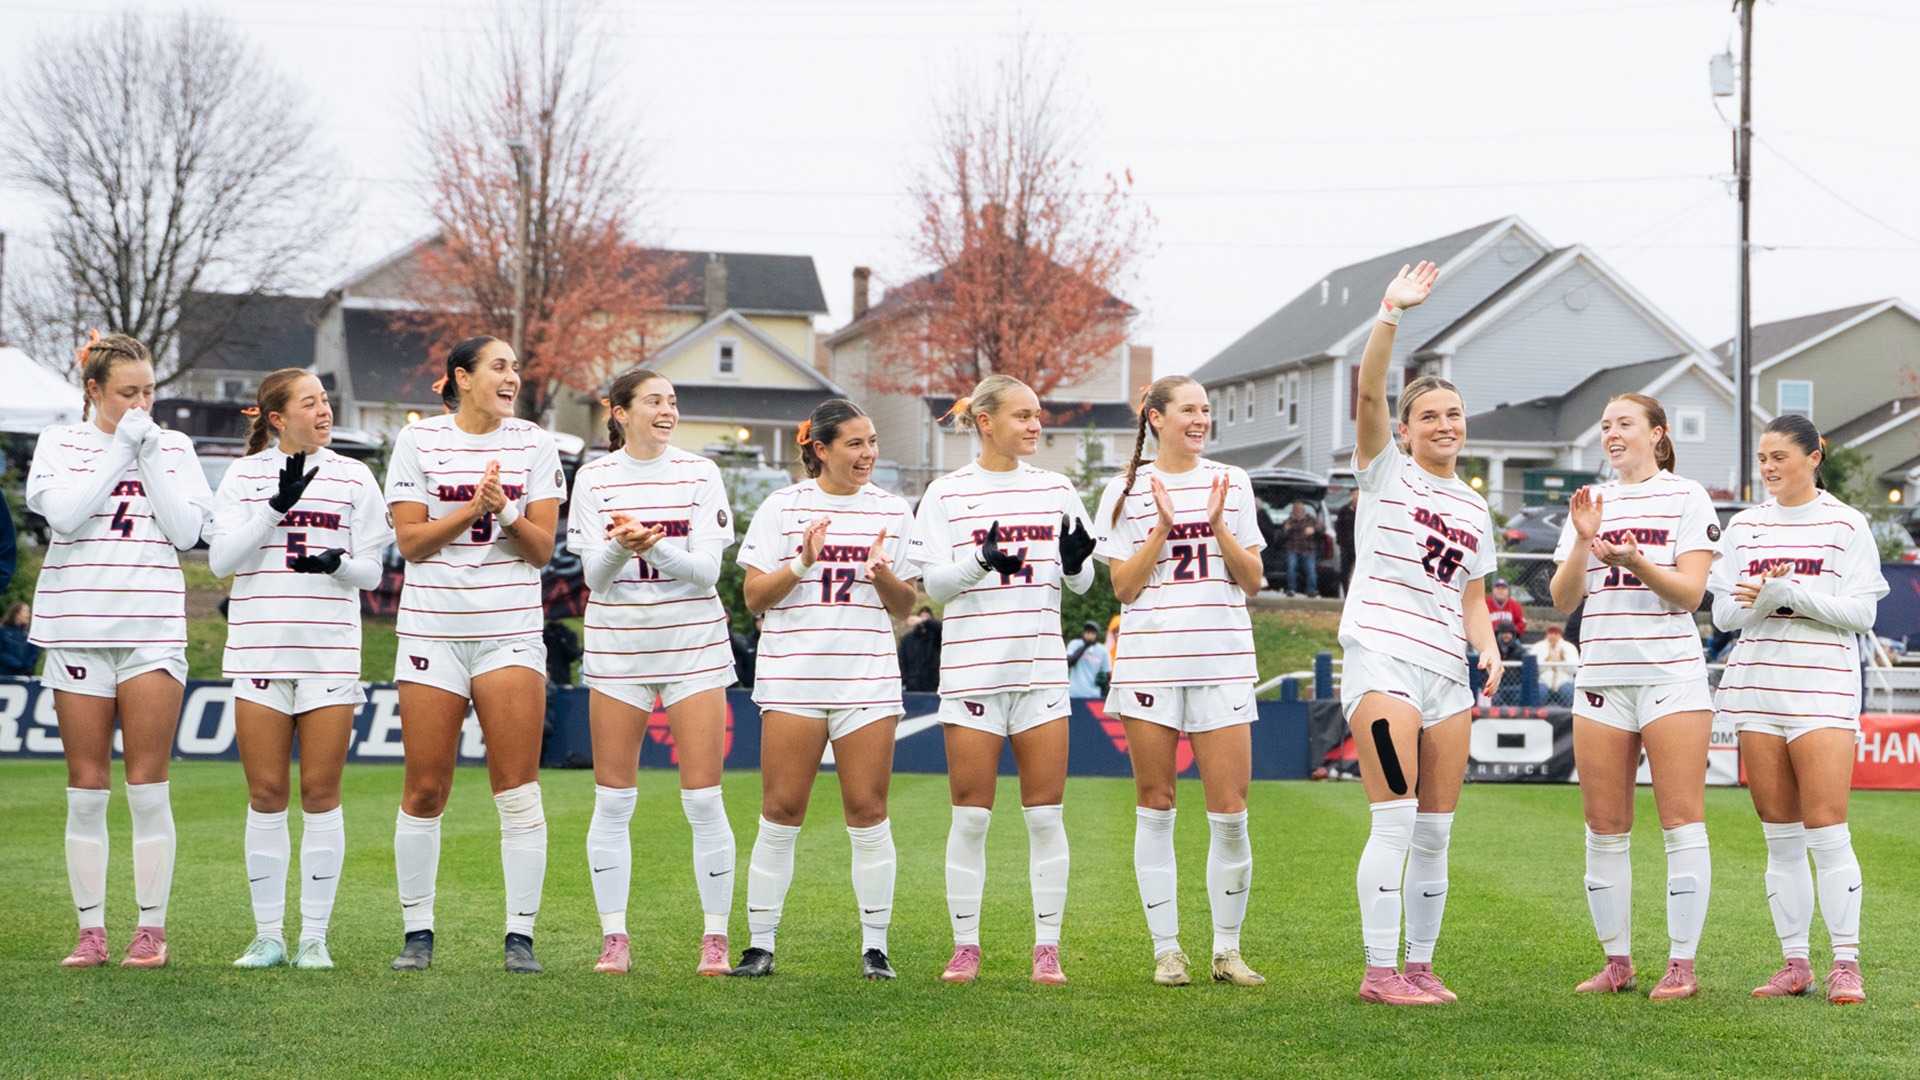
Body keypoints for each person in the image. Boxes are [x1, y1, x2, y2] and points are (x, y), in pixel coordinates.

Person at [1335, 263, 1500, 1006]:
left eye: (1454, 414)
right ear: (1405, 430)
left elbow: (1473, 596)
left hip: (1446, 677)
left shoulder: (1474, 508)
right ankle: (1378, 972)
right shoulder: (1386, 473)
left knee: (1435, 832)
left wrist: (1488, 643)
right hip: (1382, 661)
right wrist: (1391, 314)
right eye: (1430, 415)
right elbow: (1367, 391)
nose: (1445, 425)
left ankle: (1421, 965)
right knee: (1395, 818)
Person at [29, 332, 211, 969]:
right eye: (128, 393)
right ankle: (91, 932)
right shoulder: (60, 443)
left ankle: (150, 930)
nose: (141, 403)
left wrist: (151, 455)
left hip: (152, 630)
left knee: (147, 787)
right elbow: (66, 519)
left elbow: (188, 532)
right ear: (94, 392)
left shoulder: (176, 446)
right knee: (86, 788)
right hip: (77, 628)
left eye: (149, 391)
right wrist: (118, 455)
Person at [383, 335, 564, 974]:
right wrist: (470, 509)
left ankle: (520, 937)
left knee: (516, 789)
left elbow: (541, 549)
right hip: (432, 632)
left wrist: (507, 510)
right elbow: (410, 543)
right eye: (499, 366)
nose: (513, 376)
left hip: (509, 631)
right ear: (462, 377)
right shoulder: (419, 441)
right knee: (426, 788)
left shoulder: (535, 444)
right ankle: (417, 932)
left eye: (516, 367)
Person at [909, 375, 1098, 986]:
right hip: (971, 674)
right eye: (1023, 416)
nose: (1035, 425)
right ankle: (967, 947)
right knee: (971, 818)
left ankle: (1048, 949)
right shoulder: (947, 493)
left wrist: (1073, 563)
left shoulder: (1057, 488)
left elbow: (1084, 583)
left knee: (1045, 818)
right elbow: (931, 588)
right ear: (985, 421)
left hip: (1041, 672)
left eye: (1038, 415)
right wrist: (981, 561)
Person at [207, 368, 392, 971]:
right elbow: (220, 562)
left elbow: (373, 571)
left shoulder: (354, 475)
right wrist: (273, 510)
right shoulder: (244, 475)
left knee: (320, 793)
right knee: (265, 795)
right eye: (310, 402)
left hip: (329, 655)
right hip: (260, 651)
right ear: (277, 417)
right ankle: (268, 936)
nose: (325, 410)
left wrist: (340, 565)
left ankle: (314, 935)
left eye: (326, 400)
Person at [731, 398, 919, 980]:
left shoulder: (893, 509)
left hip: (867, 679)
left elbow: (907, 606)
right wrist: (801, 563)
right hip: (793, 679)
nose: (868, 454)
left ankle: (876, 948)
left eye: (872, 442)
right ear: (820, 449)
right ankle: (761, 945)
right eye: (855, 444)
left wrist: (886, 575)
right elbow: (754, 598)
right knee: (781, 811)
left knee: (868, 813)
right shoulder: (782, 506)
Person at [1093, 374, 1267, 989]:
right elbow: (1122, 587)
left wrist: (1217, 525)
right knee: (1156, 804)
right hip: (1150, 664)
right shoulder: (1124, 490)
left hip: (1222, 661)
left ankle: (1227, 951)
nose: (1200, 419)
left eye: (1206, 410)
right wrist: (1164, 527)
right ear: (1155, 417)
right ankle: (1168, 951)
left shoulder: (1234, 483)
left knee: (1230, 812)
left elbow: (1254, 580)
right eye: (1188, 409)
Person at [568, 367, 739, 977]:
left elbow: (706, 572)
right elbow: (593, 576)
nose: (667, 411)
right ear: (619, 412)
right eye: (654, 402)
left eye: (672, 400)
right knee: (613, 802)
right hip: (618, 653)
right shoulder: (593, 477)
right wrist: (622, 545)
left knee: (703, 800)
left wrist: (653, 547)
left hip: (693, 649)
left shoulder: (700, 472)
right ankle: (614, 938)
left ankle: (714, 939)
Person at [1710, 415, 1886, 1004]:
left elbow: (1862, 613)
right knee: (1779, 837)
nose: (1768, 468)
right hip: (1757, 689)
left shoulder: (1845, 523)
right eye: (1762, 458)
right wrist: (1764, 600)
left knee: (1827, 830)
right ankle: (1795, 963)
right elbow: (1724, 616)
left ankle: (1846, 963)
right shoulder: (1747, 527)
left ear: (1816, 456)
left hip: (1823, 692)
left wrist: (1792, 595)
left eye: (1780, 456)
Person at [1550, 392, 1719, 1000]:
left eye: (1625, 424)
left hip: (1671, 677)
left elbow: (1690, 595)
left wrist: (1633, 560)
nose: (1612, 434)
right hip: (1602, 677)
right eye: (1605, 426)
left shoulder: (1687, 495)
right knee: (1604, 828)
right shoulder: (1590, 502)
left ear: (1658, 434)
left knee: (1680, 823)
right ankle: (1617, 963)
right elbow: (1565, 600)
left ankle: (1682, 965)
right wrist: (1581, 540)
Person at [1275, 501, 1320, 597]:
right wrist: (1285, 530)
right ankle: (1291, 589)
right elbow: (1279, 538)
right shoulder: (1288, 521)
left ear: (1303, 509)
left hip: (1308, 549)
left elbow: (1321, 529)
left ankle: (1311, 590)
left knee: (1310, 569)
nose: (1298, 510)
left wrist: (1314, 530)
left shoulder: (1311, 520)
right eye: (1296, 508)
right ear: (1293, 509)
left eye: (1300, 508)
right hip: (1292, 549)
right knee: (1291, 567)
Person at [1530, 625, 1580, 708]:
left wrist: (1563, 659)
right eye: (1551, 633)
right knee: (1540, 692)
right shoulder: (1538, 647)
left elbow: (1575, 669)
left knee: (1568, 692)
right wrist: (1547, 659)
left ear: (1560, 635)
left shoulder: (1569, 647)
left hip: (1564, 681)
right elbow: (1534, 668)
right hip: (1543, 681)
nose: (1553, 636)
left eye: (1555, 634)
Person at [897, 606, 942, 693]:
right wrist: (906, 681)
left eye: (926, 617)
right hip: (912, 686)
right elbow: (902, 661)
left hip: (933, 685)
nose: (923, 619)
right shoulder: (907, 640)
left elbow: (940, 628)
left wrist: (924, 621)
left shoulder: (936, 638)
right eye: (921, 617)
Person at [1067, 621, 1111, 700]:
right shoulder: (1074, 644)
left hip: (1094, 696)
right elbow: (1069, 663)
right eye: (1087, 632)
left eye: (1093, 633)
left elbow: (1107, 675)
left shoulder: (1103, 651)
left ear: (1097, 635)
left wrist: (1105, 695)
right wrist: (1085, 646)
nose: (1090, 636)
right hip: (1073, 694)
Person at [0, 602, 39, 677]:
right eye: (26, 611)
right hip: (5, 676)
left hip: (26, 676)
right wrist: (17, 664)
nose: (28, 615)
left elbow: (35, 653)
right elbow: (1, 652)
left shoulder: (30, 633)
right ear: (16, 613)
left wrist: (27, 665)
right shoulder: (2, 631)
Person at [1490, 625, 1526, 706]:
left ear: (1513, 635)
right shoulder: (1492, 649)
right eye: (1504, 633)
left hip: (1516, 685)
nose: (1506, 635)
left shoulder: (1520, 650)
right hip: (1496, 685)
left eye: (1509, 633)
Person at [543, 618, 582, 685]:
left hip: (563, 675)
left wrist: (563, 641)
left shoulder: (567, 633)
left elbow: (573, 655)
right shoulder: (544, 634)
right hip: (546, 674)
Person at [1336, 498, 1357, 597]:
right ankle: (1346, 593)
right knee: (1345, 570)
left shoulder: (1366, 508)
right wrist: (1342, 542)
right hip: (1346, 547)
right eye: (1355, 494)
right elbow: (1338, 527)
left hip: (1360, 547)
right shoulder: (1344, 510)